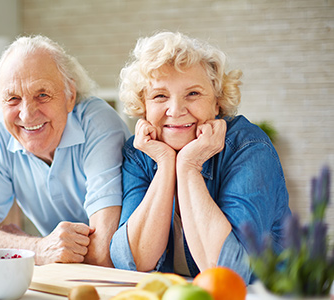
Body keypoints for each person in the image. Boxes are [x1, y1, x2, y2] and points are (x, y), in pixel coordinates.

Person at [109, 31, 290, 283]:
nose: (176, 110)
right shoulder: (141, 151)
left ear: (217, 103)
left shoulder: (249, 147)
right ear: (144, 106)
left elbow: (229, 272)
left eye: (192, 94)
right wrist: (165, 164)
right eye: (160, 96)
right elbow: (131, 260)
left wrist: (189, 166)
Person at [0, 35, 131, 267]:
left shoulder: (98, 123)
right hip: (64, 279)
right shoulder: (0, 130)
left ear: (70, 97)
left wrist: (21, 244)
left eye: (43, 95)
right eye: (13, 98)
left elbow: (103, 252)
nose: (27, 115)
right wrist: (37, 248)